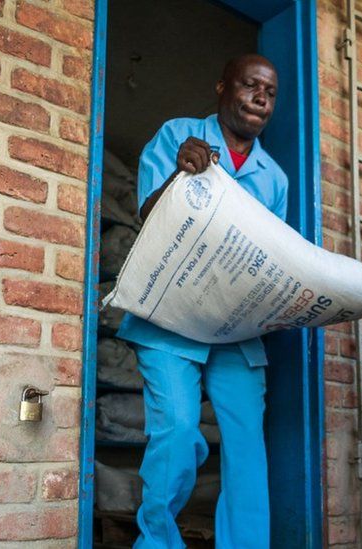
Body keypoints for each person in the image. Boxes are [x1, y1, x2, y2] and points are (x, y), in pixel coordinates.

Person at [117, 54, 287, 549]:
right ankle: (157, 542)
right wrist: (179, 174)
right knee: (177, 432)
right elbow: (146, 218)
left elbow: (273, 256)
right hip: (172, 318)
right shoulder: (179, 136)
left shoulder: (273, 179)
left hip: (235, 329)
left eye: (270, 92)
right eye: (250, 85)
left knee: (247, 451)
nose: (260, 97)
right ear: (221, 87)